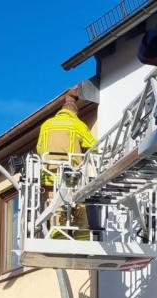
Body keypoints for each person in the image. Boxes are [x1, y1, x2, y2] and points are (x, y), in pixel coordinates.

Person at [36, 88, 97, 239]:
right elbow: (93, 146)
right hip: (71, 177)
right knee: (79, 213)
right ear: (75, 113)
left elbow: (39, 148)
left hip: (49, 176)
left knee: (56, 212)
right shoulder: (76, 124)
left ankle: (59, 239)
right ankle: (83, 242)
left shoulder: (46, 125)